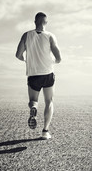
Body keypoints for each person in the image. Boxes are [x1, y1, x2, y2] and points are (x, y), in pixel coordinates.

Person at [15, 12, 61, 140]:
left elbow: (18, 55)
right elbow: (59, 57)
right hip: (48, 74)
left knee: (33, 101)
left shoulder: (26, 35)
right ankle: (45, 132)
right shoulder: (50, 36)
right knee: (49, 101)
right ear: (45, 23)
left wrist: (25, 60)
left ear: (35, 21)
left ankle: (34, 107)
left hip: (33, 74)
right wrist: (53, 62)